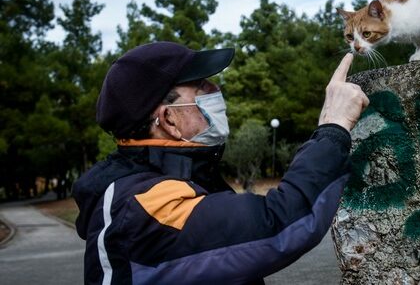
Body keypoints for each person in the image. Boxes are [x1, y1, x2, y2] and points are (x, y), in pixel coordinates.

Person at [72, 41, 369, 285]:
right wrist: (333, 126)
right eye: (201, 86)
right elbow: (278, 224)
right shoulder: (144, 203)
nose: (216, 91)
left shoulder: (176, 177)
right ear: (168, 119)